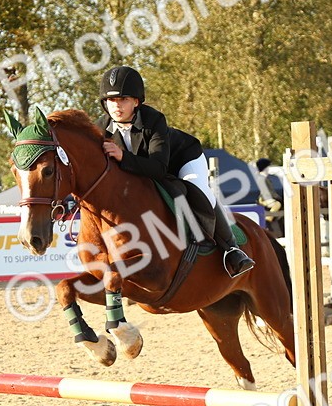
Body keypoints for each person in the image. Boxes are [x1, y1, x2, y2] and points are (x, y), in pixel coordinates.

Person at [94, 65, 254, 277]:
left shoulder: (154, 120)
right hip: (143, 169)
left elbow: (159, 168)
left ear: (136, 101)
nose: (116, 106)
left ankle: (232, 250)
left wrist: (123, 157)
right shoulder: (99, 129)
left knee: (199, 190)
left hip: (182, 159)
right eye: (111, 100)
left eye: (123, 99)